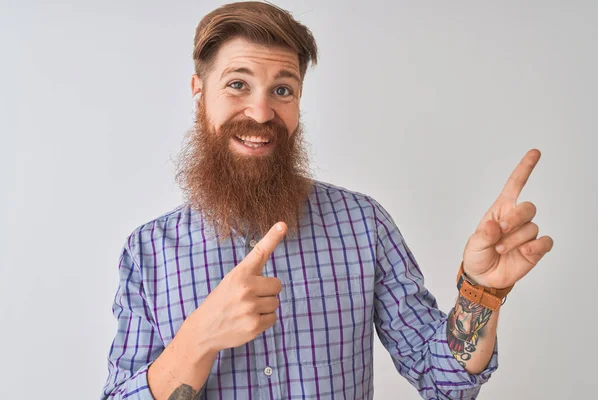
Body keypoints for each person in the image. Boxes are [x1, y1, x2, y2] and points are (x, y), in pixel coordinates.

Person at [100, 2, 554, 399]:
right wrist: (196, 340)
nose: (261, 113)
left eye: (282, 90)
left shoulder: (363, 225)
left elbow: (444, 382)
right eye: (238, 84)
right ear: (199, 92)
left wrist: (483, 293)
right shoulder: (148, 254)